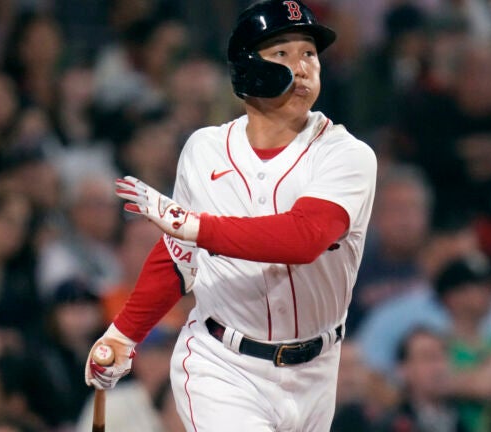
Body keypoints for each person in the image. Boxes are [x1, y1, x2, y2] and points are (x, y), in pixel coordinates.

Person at [84, 1, 377, 431]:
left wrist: (196, 227)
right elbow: (179, 258)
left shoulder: (346, 154)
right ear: (245, 68)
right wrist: (123, 334)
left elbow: (304, 238)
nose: (302, 67)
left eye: (310, 53)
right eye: (282, 54)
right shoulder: (203, 150)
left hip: (318, 370)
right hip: (222, 364)